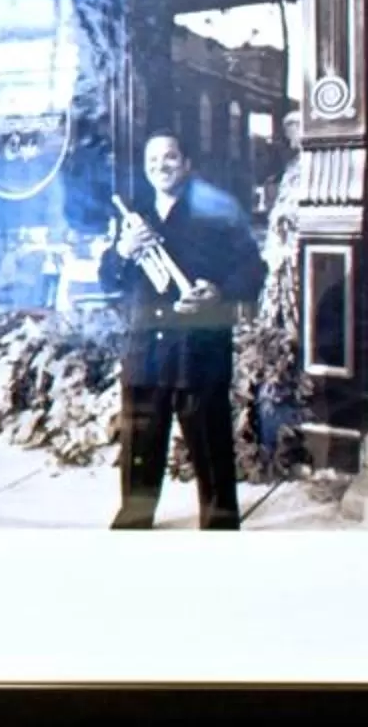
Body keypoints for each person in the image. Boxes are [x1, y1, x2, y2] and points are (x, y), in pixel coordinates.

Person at [99, 131, 265, 529]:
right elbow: (108, 280)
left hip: (198, 345)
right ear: (145, 168)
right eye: (153, 160)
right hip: (146, 348)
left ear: (187, 163)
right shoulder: (136, 218)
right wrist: (123, 251)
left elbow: (254, 269)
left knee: (209, 440)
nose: (161, 166)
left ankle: (219, 523)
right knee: (141, 439)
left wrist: (219, 291)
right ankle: (134, 517)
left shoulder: (216, 213)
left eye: (170, 157)